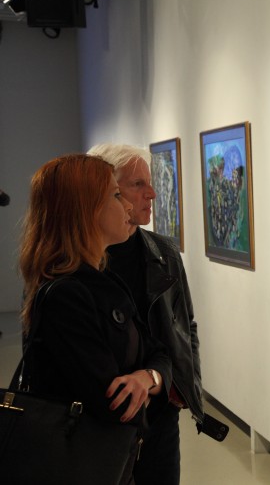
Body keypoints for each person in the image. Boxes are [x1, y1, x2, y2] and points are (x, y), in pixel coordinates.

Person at [18, 154, 172, 484]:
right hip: (81, 465)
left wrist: (146, 377)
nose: (128, 206)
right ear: (85, 210)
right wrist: (148, 382)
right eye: (116, 195)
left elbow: (160, 353)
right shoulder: (66, 296)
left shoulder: (105, 282)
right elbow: (116, 404)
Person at [88, 143, 204, 485]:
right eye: (137, 184)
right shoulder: (76, 266)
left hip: (159, 414)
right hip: (102, 421)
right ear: (104, 191)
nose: (151, 193)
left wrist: (180, 387)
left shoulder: (164, 253)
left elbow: (186, 325)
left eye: (149, 183)